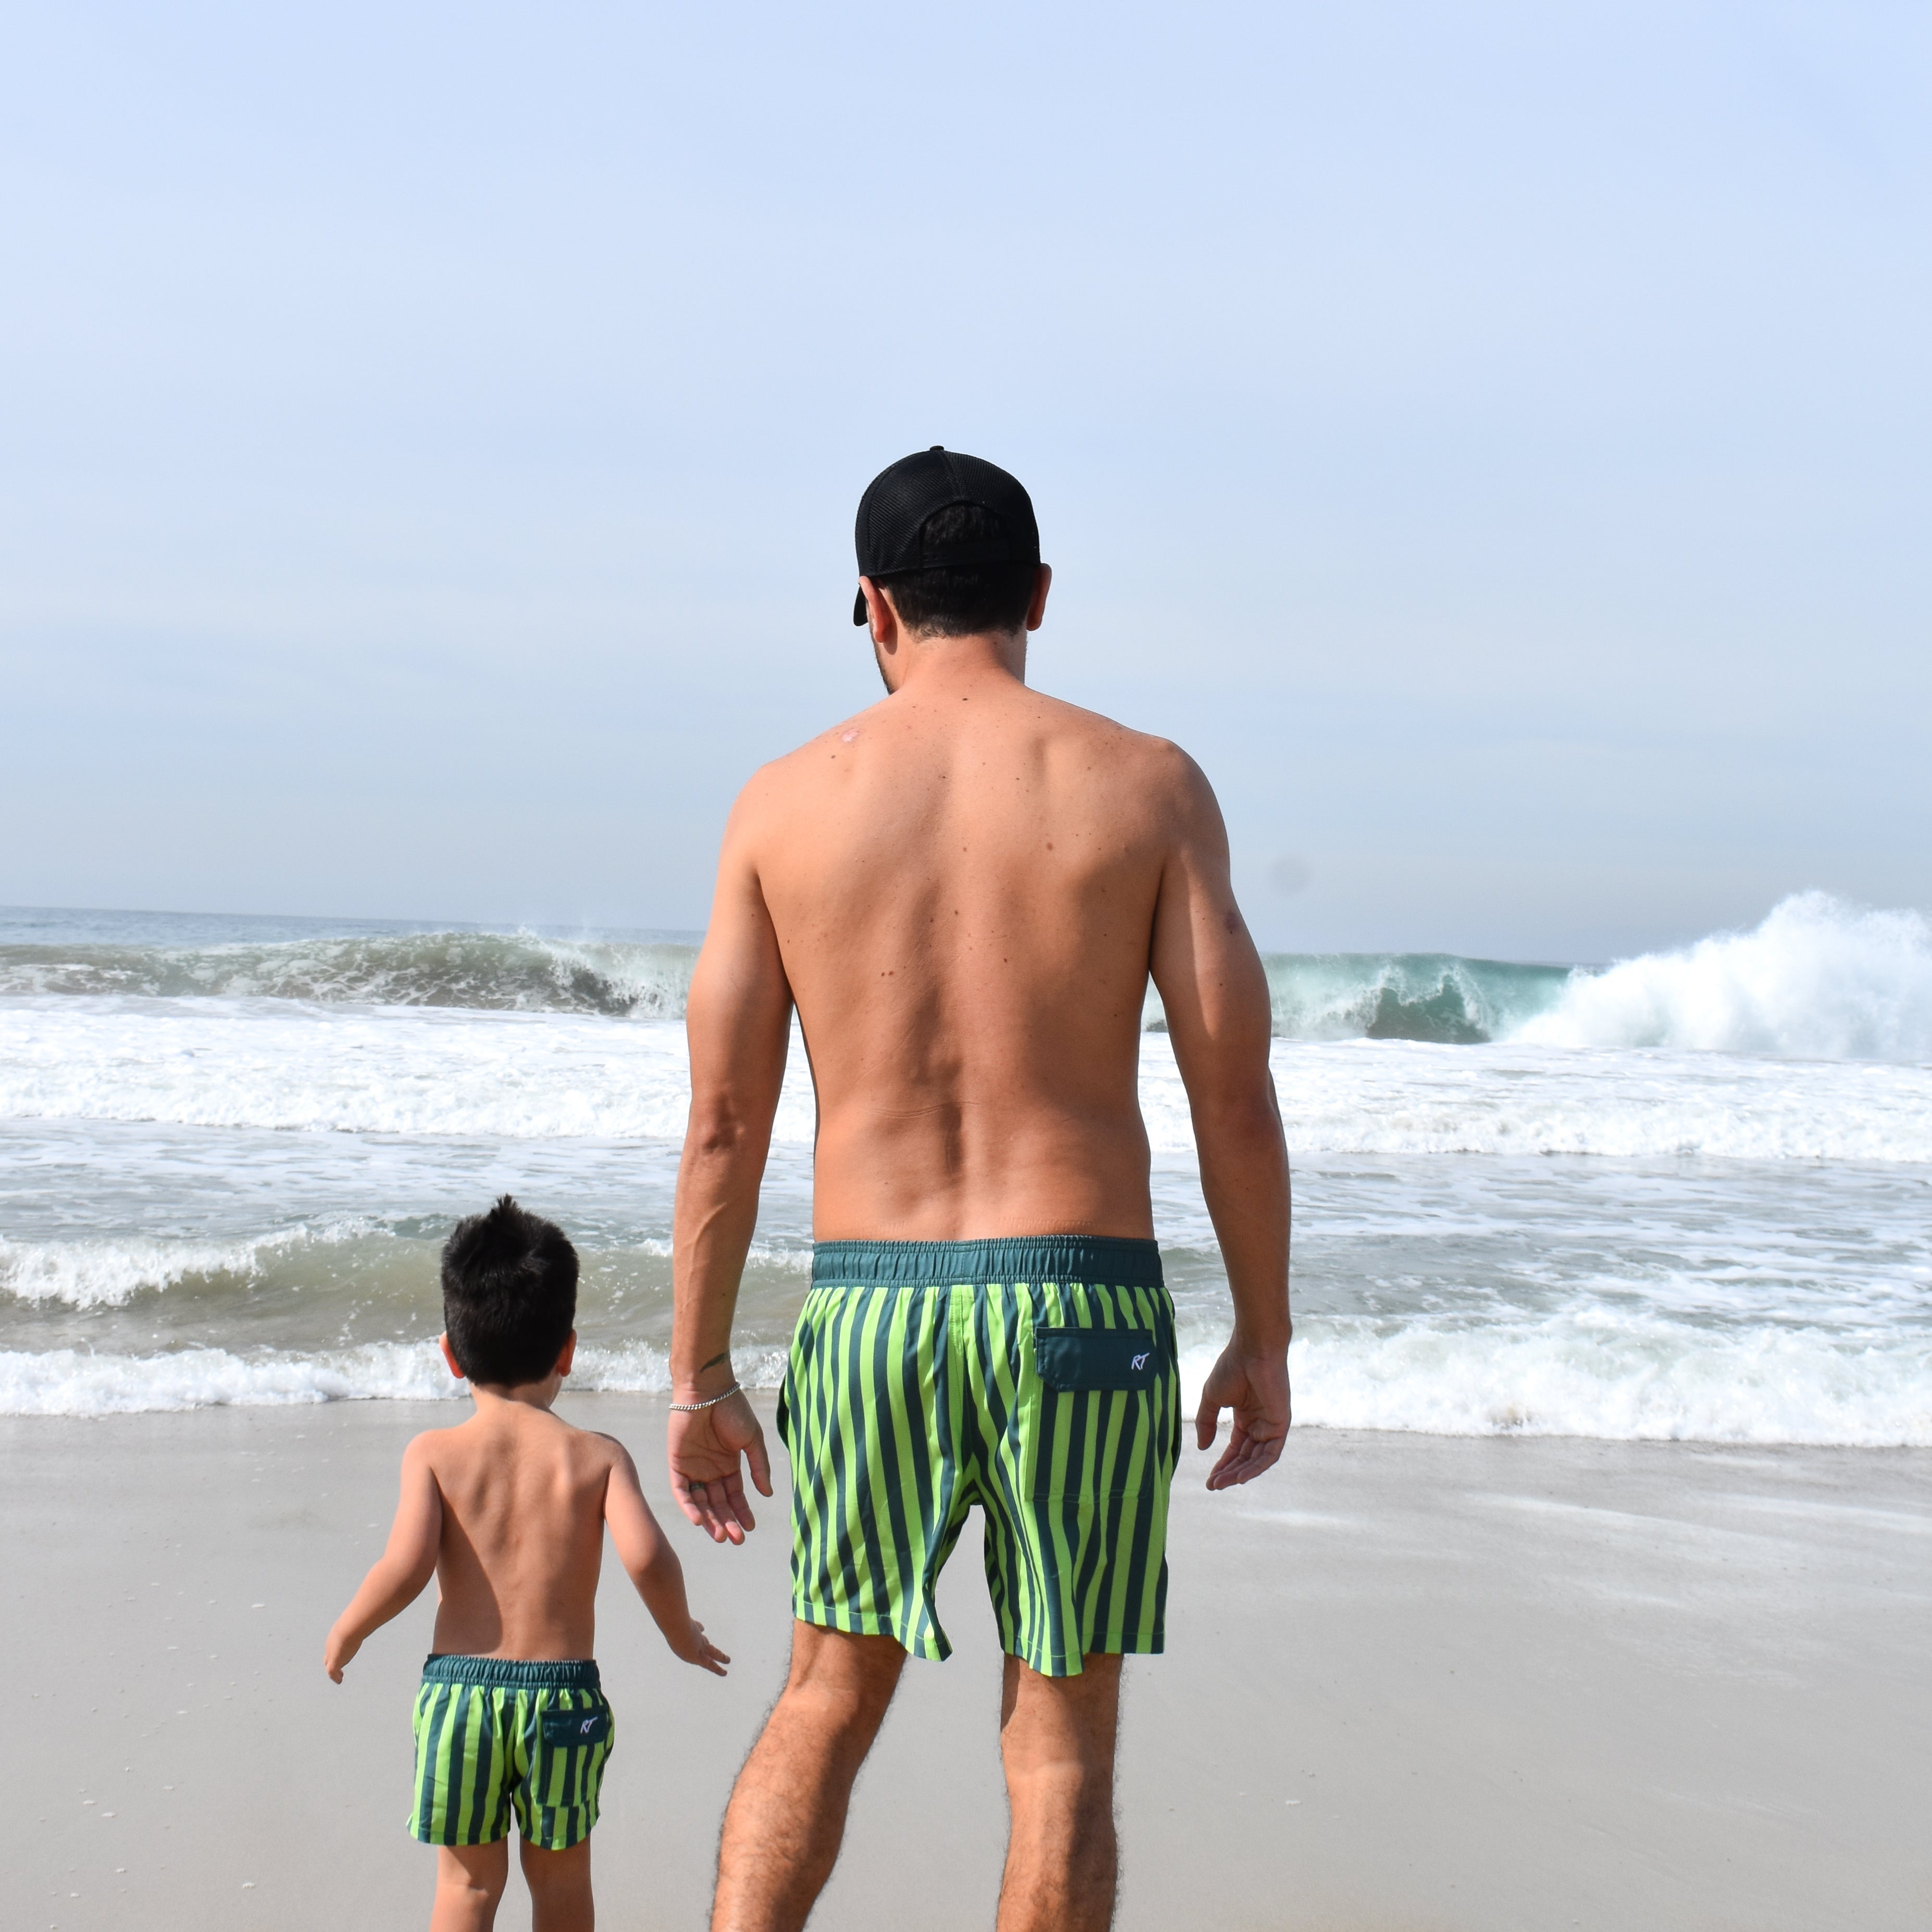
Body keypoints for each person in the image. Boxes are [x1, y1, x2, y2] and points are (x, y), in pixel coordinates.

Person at [668, 447, 1292, 1932]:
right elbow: (1232, 1096)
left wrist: (698, 1370)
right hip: (1079, 1299)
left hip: (873, 1305)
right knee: (1061, 1732)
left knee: (826, 1688)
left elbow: (723, 1123)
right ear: (1036, 597)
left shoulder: (778, 804)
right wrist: (1262, 1335)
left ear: (873, 607)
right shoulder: (1148, 785)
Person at [325, 1195, 730, 1932]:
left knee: (469, 1883)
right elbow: (646, 1556)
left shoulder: (434, 1455)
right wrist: (680, 1634)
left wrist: (350, 1628)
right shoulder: (598, 1456)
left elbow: (406, 1566)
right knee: (562, 1875)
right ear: (567, 1351)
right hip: (562, 1698)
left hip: (460, 1699)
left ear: (451, 1355)